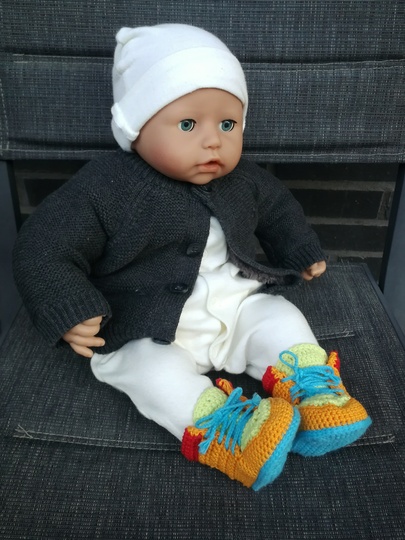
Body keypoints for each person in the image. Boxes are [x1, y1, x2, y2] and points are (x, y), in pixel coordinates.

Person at [13, 23, 371, 490]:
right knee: (151, 374)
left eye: (228, 124)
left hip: (234, 306)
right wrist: (67, 306)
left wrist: (298, 248)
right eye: (188, 125)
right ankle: (227, 433)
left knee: (279, 316)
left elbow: (278, 209)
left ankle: (312, 390)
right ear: (136, 128)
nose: (213, 141)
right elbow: (43, 245)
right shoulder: (105, 186)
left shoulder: (244, 179)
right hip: (142, 325)